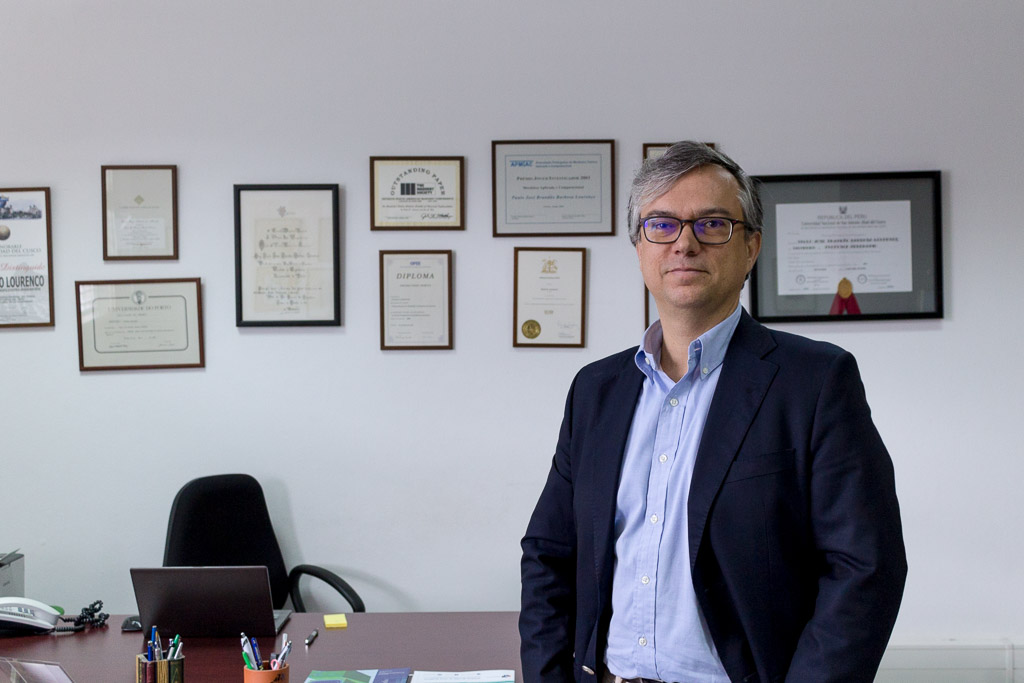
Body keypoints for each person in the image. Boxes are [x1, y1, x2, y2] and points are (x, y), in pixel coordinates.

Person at [520, 142, 907, 683]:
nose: (684, 243)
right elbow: (549, 553)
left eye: (712, 224)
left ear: (751, 246)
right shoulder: (596, 390)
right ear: (639, 248)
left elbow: (866, 568)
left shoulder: (816, 382)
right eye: (661, 225)